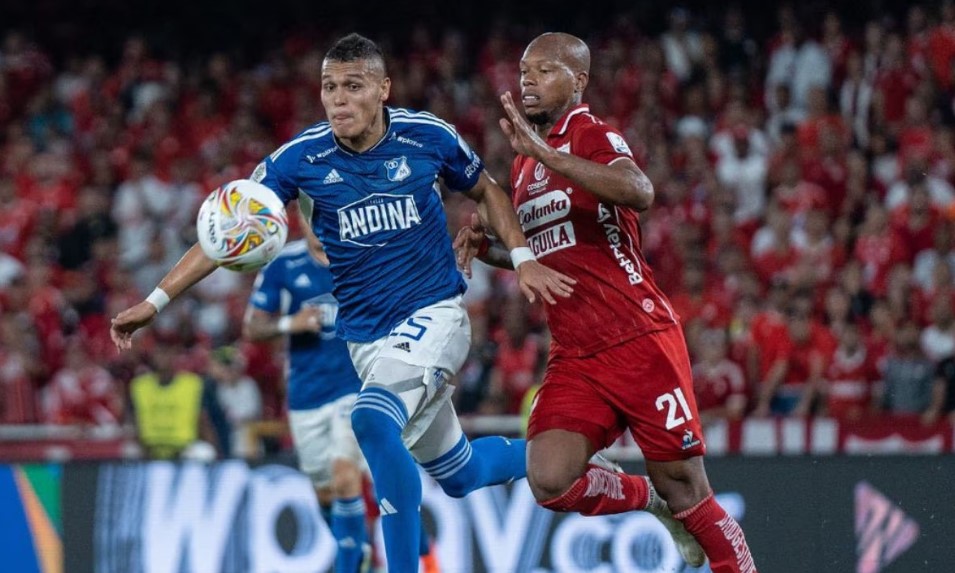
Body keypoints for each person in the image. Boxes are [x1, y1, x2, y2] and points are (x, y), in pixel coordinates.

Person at [110, 33, 574, 573]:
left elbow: (488, 191)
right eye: (329, 87)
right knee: (461, 473)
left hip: (436, 315)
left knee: (372, 419)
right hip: (369, 343)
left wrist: (520, 258)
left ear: (383, 90)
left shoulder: (427, 136)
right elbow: (226, 233)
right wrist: (155, 301)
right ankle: (587, 465)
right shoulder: (299, 158)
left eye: (353, 86)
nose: (338, 99)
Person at [455, 33, 756, 572]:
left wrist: (547, 153)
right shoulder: (526, 166)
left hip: (637, 338)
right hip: (576, 352)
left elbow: (639, 191)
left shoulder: (591, 134)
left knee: (689, 488)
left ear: (579, 81)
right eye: (524, 71)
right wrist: (495, 250)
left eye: (544, 71)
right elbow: (549, 250)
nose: (528, 80)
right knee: (548, 478)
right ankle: (651, 501)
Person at [242, 215, 438, 573]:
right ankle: (365, 550)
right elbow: (252, 327)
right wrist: (290, 323)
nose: (316, 223)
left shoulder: (365, 255)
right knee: (327, 492)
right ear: (299, 220)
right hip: (306, 396)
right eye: (307, 215)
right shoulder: (284, 264)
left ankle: (361, 561)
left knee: (345, 472)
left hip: (358, 388)